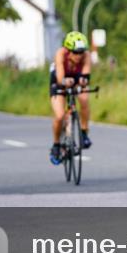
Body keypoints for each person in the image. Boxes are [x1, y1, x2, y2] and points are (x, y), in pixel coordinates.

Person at [48, 31, 93, 165]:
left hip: (76, 79)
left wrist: (83, 82)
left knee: (84, 99)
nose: (79, 55)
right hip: (58, 81)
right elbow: (60, 76)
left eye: (81, 52)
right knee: (60, 116)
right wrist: (64, 82)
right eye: (75, 52)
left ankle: (84, 133)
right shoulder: (60, 54)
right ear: (68, 50)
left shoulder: (86, 55)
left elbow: (85, 76)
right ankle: (56, 145)